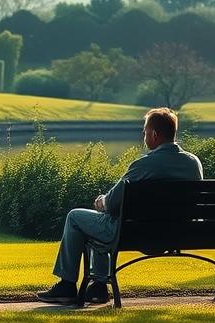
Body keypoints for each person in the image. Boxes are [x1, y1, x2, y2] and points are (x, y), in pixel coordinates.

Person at [36, 107, 204, 305]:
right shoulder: (193, 163)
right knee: (99, 223)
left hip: (138, 233)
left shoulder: (144, 165)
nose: (143, 135)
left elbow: (112, 202)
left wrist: (102, 202)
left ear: (155, 135)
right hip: (180, 233)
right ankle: (98, 287)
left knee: (76, 217)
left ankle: (69, 285)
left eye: (145, 131)